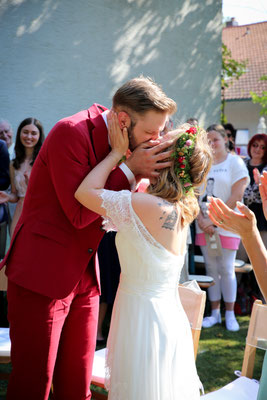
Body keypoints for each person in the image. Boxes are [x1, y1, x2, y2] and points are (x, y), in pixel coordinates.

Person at [0, 76, 177, 400]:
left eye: (163, 131)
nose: (158, 139)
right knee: (33, 385)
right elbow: (80, 214)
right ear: (123, 120)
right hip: (41, 277)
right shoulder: (71, 132)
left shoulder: (130, 143)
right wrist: (129, 169)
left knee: (77, 388)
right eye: (152, 133)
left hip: (85, 278)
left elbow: (127, 208)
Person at [75, 115, 212, 400]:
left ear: (165, 162)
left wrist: (116, 154)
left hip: (143, 320)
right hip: (161, 315)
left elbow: (85, 194)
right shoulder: (181, 206)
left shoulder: (146, 205)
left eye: (160, 145)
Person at [195, 124, 249, 331]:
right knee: (211, 269)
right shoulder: (202, 164)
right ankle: (214, 313)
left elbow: (236, 196)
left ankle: (230, 314)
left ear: (225, 139)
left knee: (226, 269)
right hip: (204, 226)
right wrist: (201, 218)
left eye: (215, 139)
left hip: (226, 226)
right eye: (208, 140)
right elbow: (194, 195)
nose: (212, 144)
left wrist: (215, 221)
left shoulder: (235, 162)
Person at [0, 118, 45, 237]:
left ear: (39, 136)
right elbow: (16, 195)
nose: (29, 136)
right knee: (16, 247)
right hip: (19, 212)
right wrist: (7, 196)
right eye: (25, 132)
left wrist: (32, 186)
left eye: (34, 133)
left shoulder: (44, 162)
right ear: (19, 133)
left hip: (39, 212)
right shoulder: (13, 164)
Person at [239, 134, 267, 261]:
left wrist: (259, 184)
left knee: (261, 258)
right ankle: (240, 282)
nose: (257, 149)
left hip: (262, 219)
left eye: (262, 147)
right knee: (240, 257)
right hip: (242, 217)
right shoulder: (240, 164)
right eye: (255, 145)